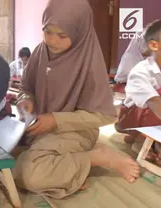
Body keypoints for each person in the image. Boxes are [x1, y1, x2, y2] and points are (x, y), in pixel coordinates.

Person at [12, 0, 140, 199]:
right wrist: (25, 100)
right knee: (4, 158)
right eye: (47, 31)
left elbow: (104, 116)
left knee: (29, 173)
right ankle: (70, 171)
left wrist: (56, 120)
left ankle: (95, 158)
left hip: (76, 130)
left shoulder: (89, 61)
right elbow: (25, 88)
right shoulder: (40, 51)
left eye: (62, 35)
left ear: (79, 31)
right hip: (39, 127)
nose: (52, 40)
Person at [115, 19, 161, 162]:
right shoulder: (141, 71)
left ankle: (150, 141)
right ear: (154, 45)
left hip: (154, 115)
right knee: (156, 97)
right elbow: (154, 103)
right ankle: (140, 141)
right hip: (132, 116)